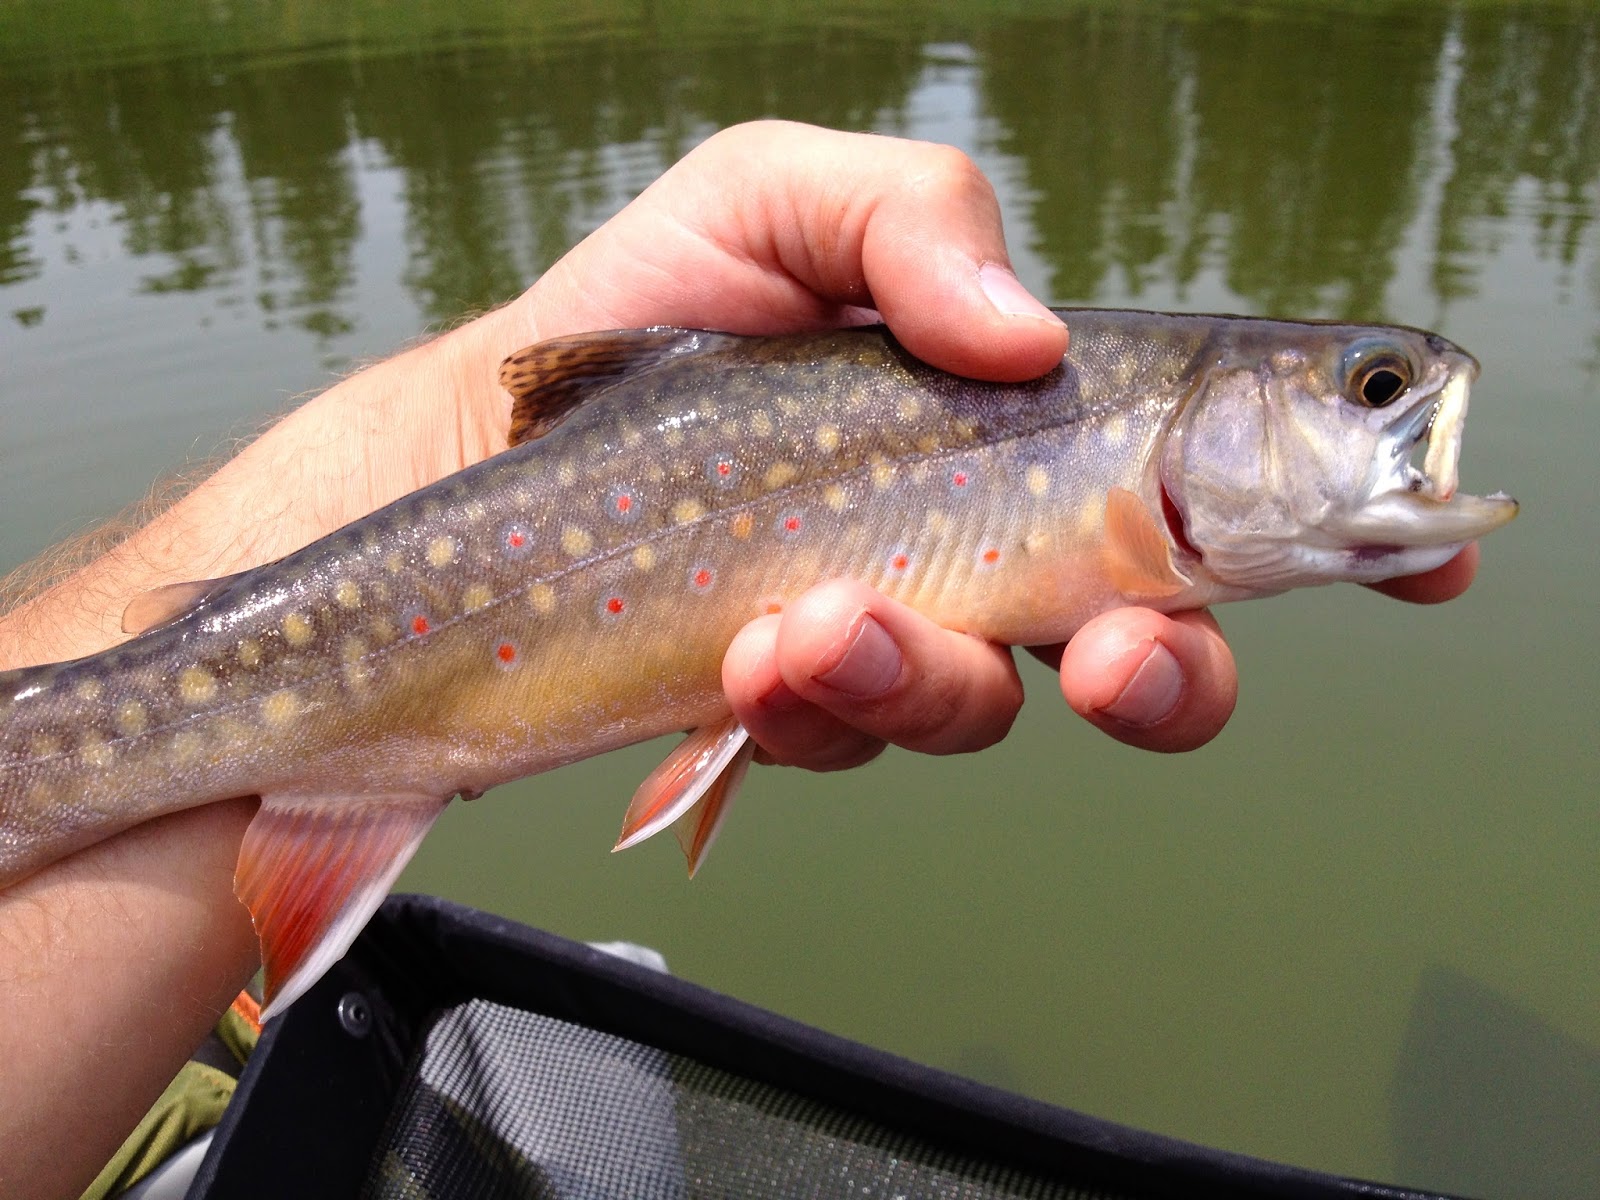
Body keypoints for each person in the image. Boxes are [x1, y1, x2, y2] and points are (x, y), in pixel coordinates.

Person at [0, 120, 1477, 1200]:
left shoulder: (1150, 489)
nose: (1404, 412)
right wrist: (469, 412)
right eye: (1375, 389)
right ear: (1203, 422)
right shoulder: (1110, 436)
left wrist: (463, 409)